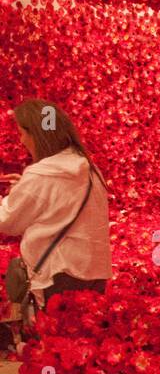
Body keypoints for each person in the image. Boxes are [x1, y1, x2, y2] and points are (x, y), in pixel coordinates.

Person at [0, 99, 111, 313]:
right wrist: (23, 188)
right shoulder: (90, 169)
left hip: (56, 274)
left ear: (37, 135)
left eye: (23, 133)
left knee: (54, 341)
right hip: (94, 273)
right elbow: (56, 204)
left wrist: (16, 193)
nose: (22, 141)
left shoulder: (41, 175)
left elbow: (7, 220)